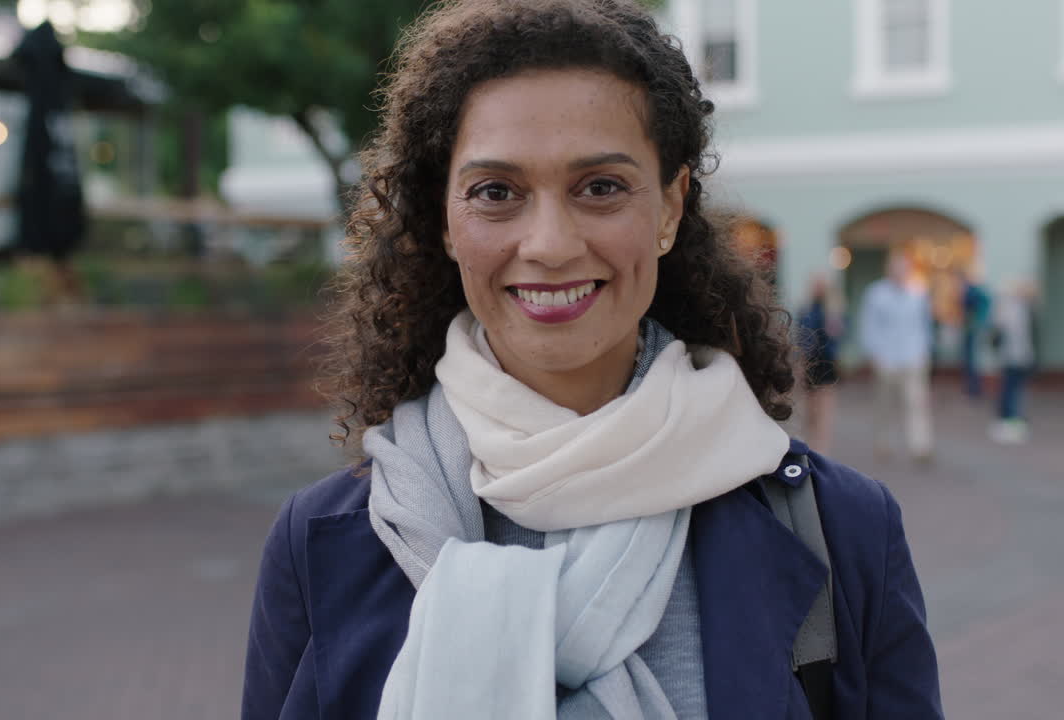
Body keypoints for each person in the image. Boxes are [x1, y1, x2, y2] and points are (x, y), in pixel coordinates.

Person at [242, 2, 943, 719]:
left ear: (670, 208)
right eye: (495, 193)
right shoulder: (320, 547)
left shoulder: (842, 531)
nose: (549, 243)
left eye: (600, 188)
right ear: (445, 219)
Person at [858, 252, 935, 464]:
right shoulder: (876, 293)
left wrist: (925, 350)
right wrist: (873, 353)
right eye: (897, 267)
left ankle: (920, 446)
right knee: (884, 405)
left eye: (904, 268)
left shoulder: (918, 292)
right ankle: (883, 443)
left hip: (913, 357)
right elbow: (869, 325)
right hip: (886, 359)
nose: (901, 272)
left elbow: (924, 325)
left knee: (916, 403)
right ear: (889, 269)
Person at [796, 271, 845, 454]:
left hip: (827, 364)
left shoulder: (833, 311)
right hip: (810, 364)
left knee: (824, 413)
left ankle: (821, 450)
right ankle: (811, 446)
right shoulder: (806, 310)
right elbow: (801, 339)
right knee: (810, 413)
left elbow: (837, 336)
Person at [989, 280, 1039, 444]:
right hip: (1015, 358)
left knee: (1013, 391)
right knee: (1012, 391)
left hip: (1016, 358)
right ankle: (1010, 422)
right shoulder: (1016, 310)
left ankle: (1011, 422)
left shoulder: (1017, 309)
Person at [959, 269, 991, 398]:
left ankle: (973, 388)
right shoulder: (981, 292)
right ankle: (973, 387)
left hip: (973, 329)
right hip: (975, 328)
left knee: (971, 359)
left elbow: (965, 305)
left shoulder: (972, 292)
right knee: (973, 359)